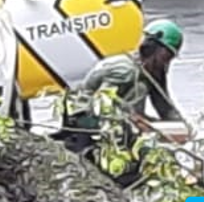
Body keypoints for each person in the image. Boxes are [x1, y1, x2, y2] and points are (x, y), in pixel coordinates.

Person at [53, 20, 185, 184]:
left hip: (122, 120)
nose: (167, 62)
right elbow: (104, 106)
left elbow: (165, 106)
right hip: (87, 119)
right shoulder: (125, 70)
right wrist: (138, 122)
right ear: (152, 49)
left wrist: (184, 129)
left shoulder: (153, 71)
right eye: (166, 56)